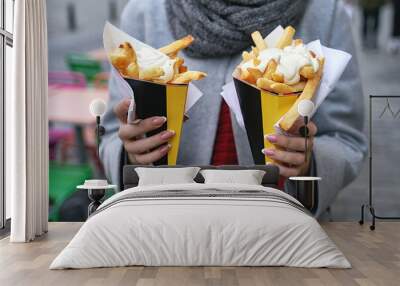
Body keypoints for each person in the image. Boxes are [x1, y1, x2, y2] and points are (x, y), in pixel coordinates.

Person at [100, 0, 367, 217]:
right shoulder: (144, 12)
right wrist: (131, 154)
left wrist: (310, 162)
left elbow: (347, 140)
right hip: (170, 227)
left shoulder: (326, 11)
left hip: (283, 231)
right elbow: (111, 133)